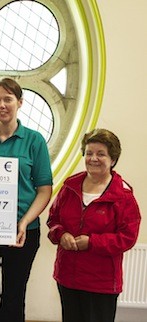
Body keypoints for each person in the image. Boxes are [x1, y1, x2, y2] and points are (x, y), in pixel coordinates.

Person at [0, 77, 53, 322]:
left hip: (22, 232)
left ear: (20, 103)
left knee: (14, 298)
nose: (2, 105)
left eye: (8, 99)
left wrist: (24, 222)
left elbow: (44, 189)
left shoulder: (35, 141)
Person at [47, 128, 141, 322]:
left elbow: (127, 238)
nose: (93, 158)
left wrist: (92, 242)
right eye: (89, 153)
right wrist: (61, 234)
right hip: (68, 278)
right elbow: (53, 220)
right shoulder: (69, 187)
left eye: (101, 154)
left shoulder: (123, 196)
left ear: (113, 159)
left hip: (101, 283)